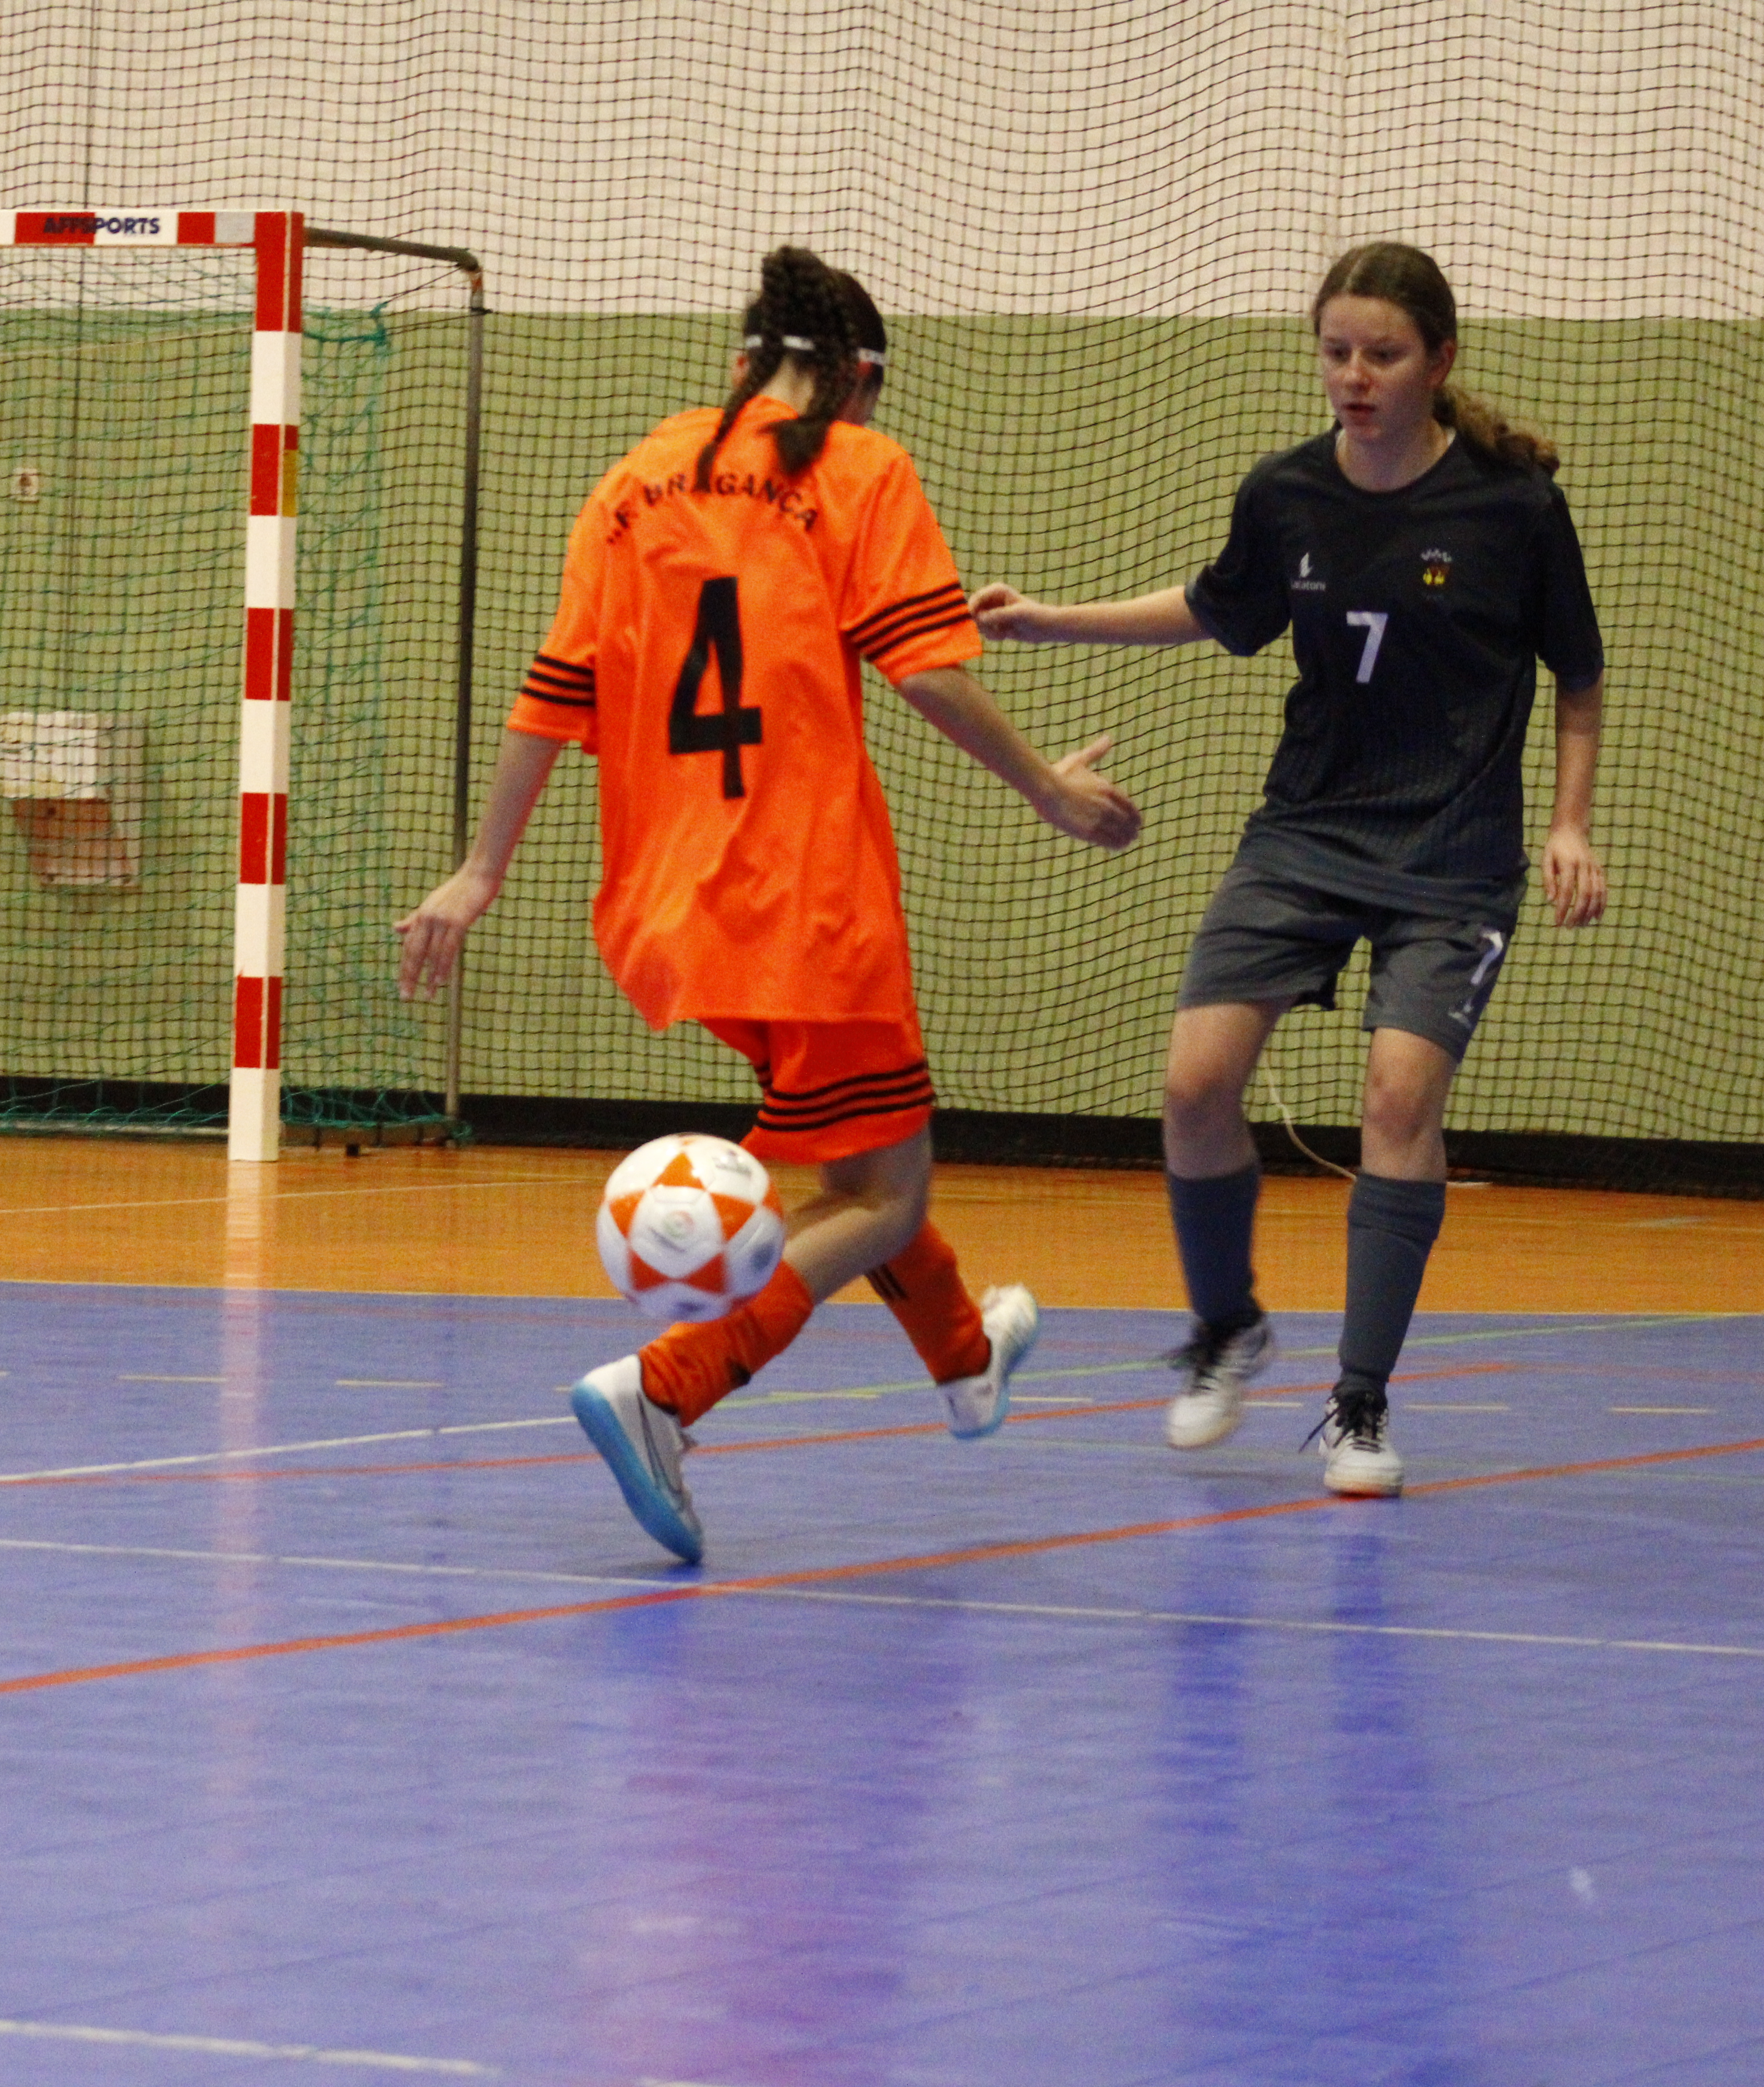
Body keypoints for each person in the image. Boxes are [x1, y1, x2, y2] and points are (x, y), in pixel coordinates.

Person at [399, 247, 1141, 1564]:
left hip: (671, 907)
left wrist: (480, 870)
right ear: (858, 380)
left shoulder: (635, 478)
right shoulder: (857, 467)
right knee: (888, 1196)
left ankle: (969, 1365)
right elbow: (927, 672)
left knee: (865, 1155)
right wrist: (1046, 787)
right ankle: (669, 1386)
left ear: (743, 361)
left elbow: (552, 692)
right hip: (806, 898)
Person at [971, 241, 1606, 1498]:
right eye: (1336, 352)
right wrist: (1049, 617)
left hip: (1452, 855)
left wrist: (1572, 825)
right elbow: (1221, 610)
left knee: (1395, 1101)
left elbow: (1577, 676)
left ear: (1441, 361)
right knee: (1195, 1082)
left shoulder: (1514, 509)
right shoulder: (1286, 494)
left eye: (1383, 354)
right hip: (1306, 833)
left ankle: (1360, 1406)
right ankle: (1226, 1327)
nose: (1355, 376)